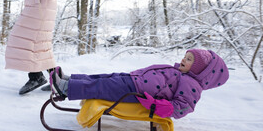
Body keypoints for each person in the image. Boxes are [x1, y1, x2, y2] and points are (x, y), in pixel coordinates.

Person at [49, 49, 229, 119]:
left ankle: (65, 89)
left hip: (137, 93)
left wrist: (156, 106)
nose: (183, 59)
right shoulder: (180, 73)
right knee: (104, 78)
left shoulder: (191, 85)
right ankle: (69, 80)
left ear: (198, 70)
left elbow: (182, 107)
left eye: (189, 59)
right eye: (185, 56)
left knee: (102, 87)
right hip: (134, 81)